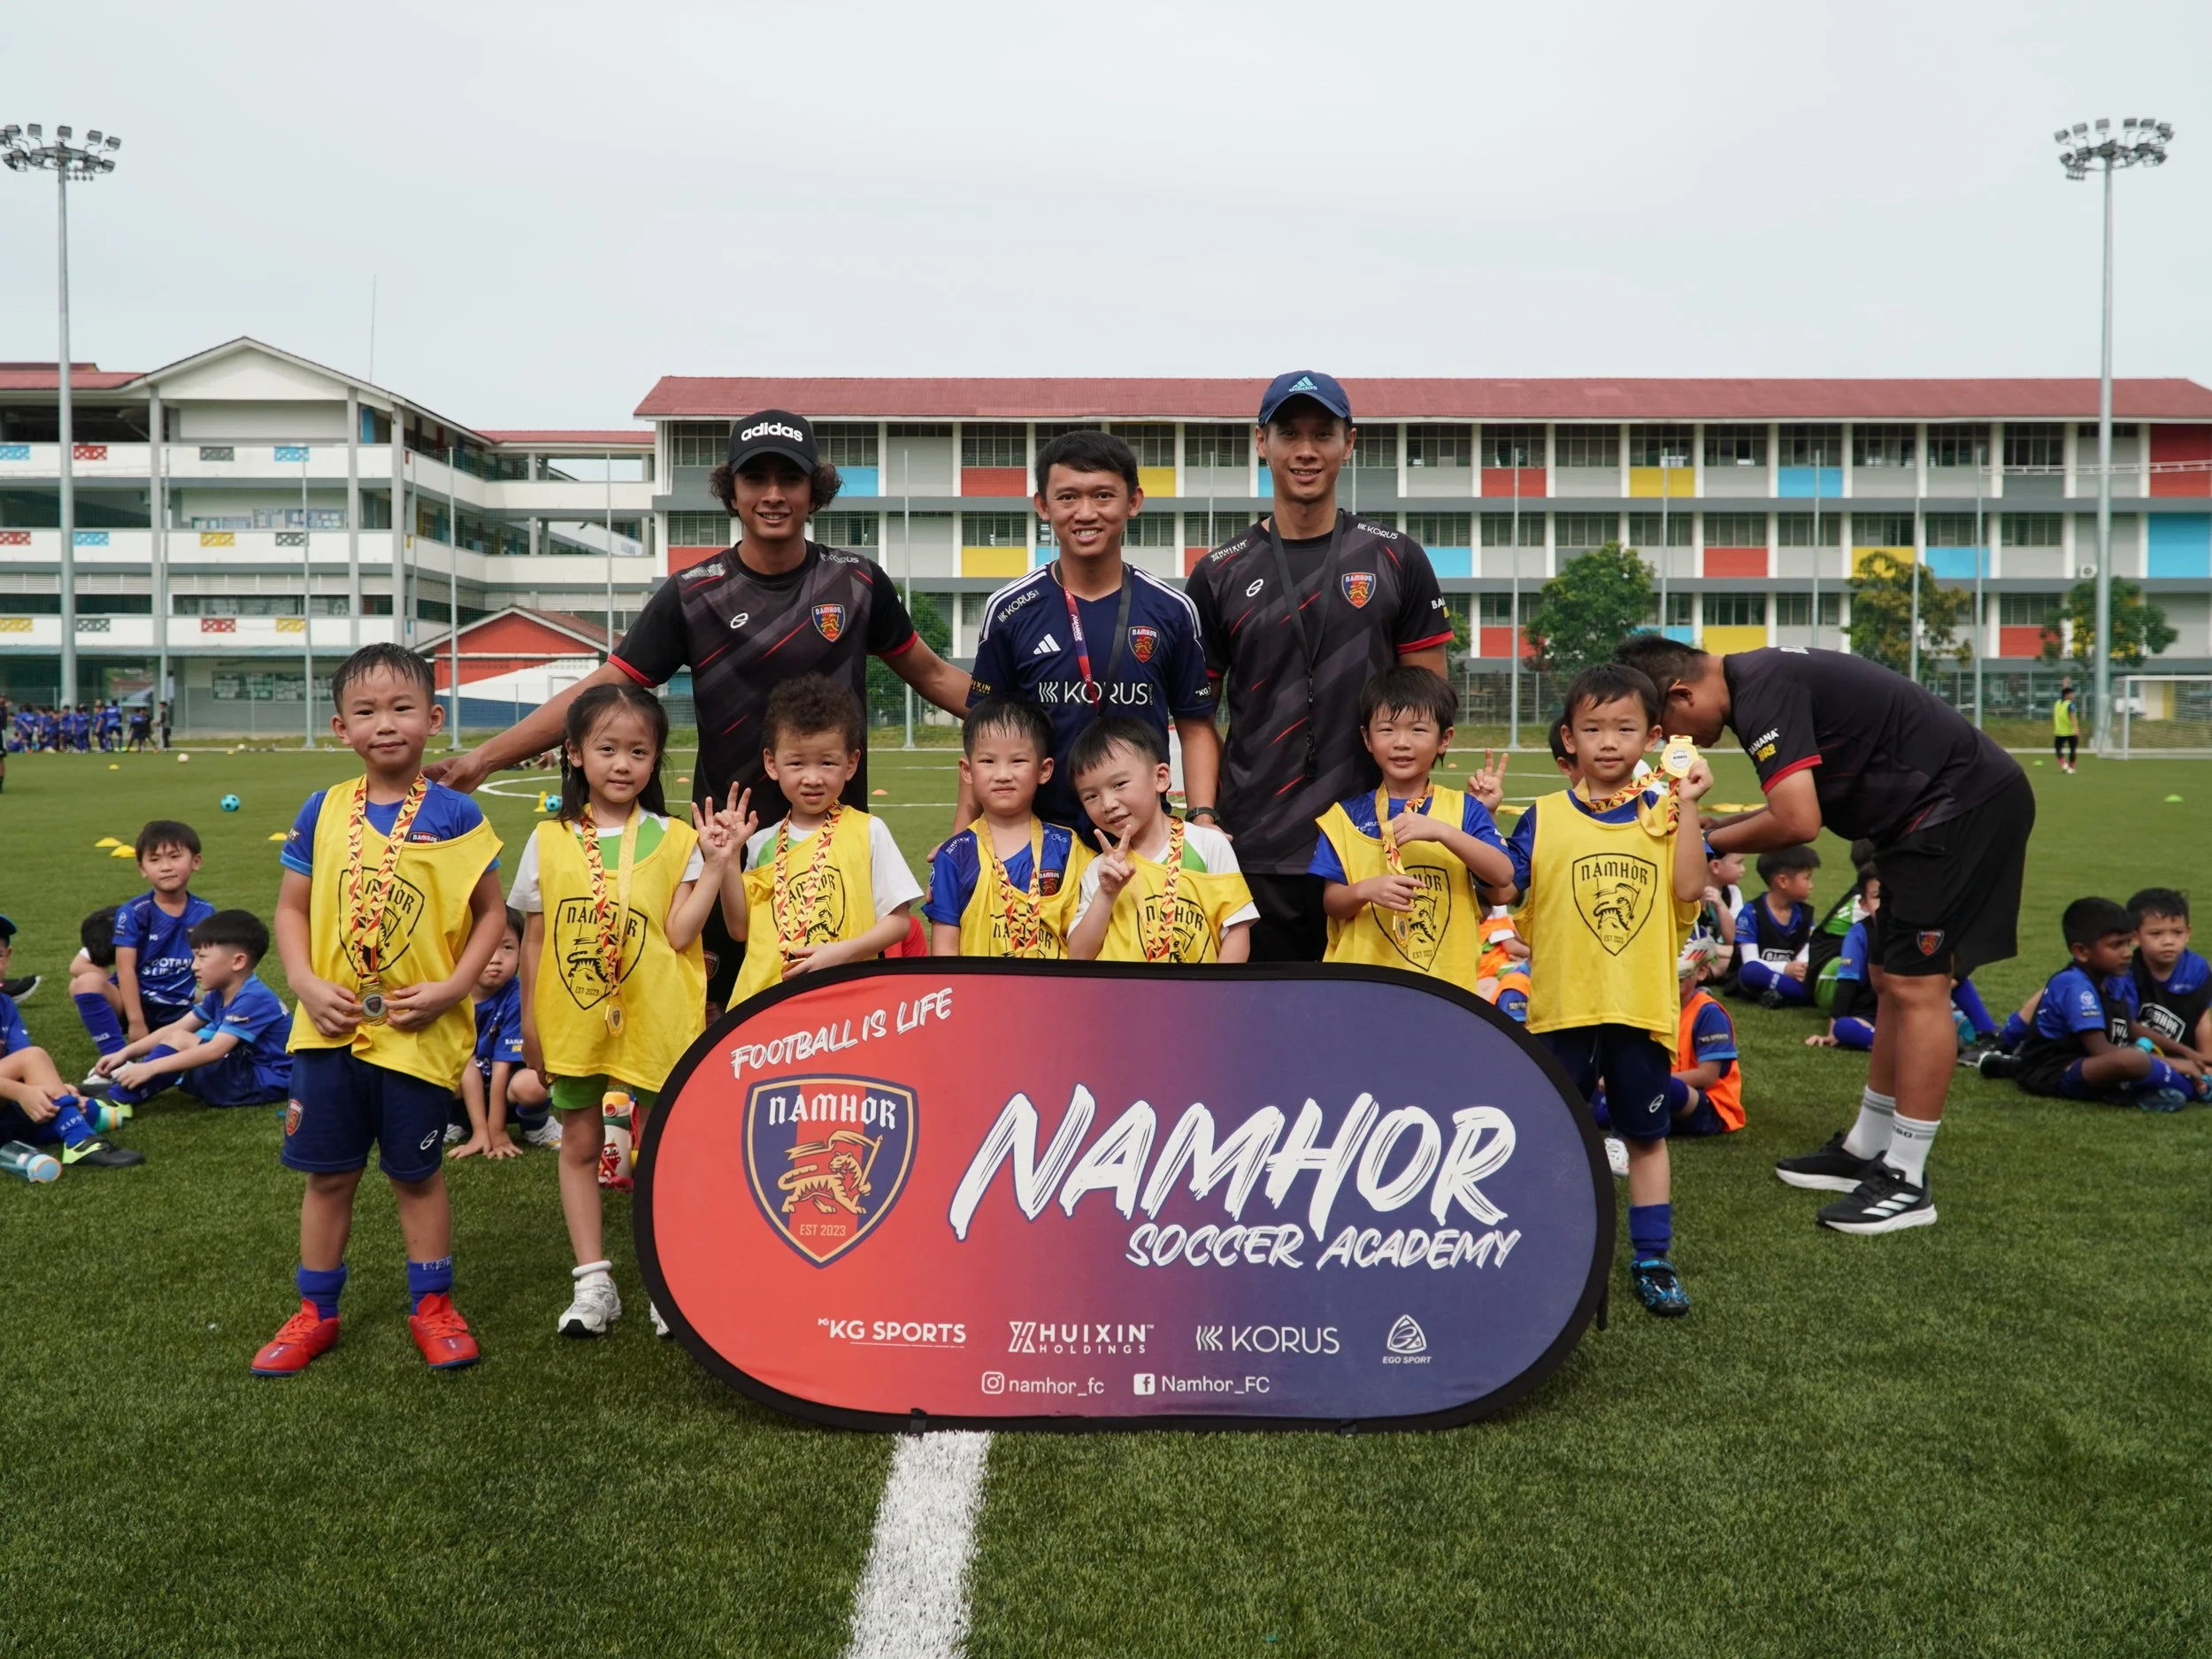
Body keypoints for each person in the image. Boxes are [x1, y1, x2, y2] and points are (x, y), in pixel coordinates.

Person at [424, 411, 971, 1013]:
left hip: (832, 850)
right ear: (730, 491)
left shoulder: (858, 582)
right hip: (720, 851)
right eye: (754, 478)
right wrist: (483, 759)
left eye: (789, 478)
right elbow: (602, 690)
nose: (772, 494)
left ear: (814, 490)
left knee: (838, 1020)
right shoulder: (693, 593)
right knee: (716, 1022)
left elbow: (935, 675)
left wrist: (1027, 722)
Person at [1617, 634, 2033, 1236]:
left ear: (1682, 693)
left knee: (1918, 987)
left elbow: (1797, 820)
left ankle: (1907, 1175)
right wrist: (1717, 825)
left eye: (1667, 727)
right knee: (1888, 980)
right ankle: (1868, 1145)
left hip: (1958, 811)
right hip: (1923, 820)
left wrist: (1705, 842)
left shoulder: (1762, 691)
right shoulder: (1759, 679)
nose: (1673, 741)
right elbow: (1790, 808)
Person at [254, 643, 506, 1378]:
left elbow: (491, 914)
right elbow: (291, 908)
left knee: (415, 1174)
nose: (385, 723)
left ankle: (433, 1306)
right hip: (329, 1029)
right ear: (341, 728)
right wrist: (302, 980)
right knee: (328, 1176)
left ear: (434, 718)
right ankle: (315, 1312)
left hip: (415, 1034)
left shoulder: (456, 812)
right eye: (365, 711)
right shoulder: (323, 808)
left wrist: (454, 988)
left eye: (402, 708)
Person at [1184, 371, 1454, 961]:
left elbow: (1430, 699)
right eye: (1289, 434)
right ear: (1262, 442)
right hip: (1255, 843)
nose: (1305, 451)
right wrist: (1202, 815)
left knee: (1367, 1016)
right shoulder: (1219, 572)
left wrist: (1421, 804)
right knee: (1256, 1014)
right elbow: (1196, 714)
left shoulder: (1396, 557)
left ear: (1348, 443)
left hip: (1372, 841)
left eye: (1322, 434)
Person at [515, 683, 735, 1338]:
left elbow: (679, 933)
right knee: (581, 1144)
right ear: (574, 753)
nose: (622, 764)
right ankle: (594, 1283)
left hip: (658, 1018)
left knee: (662, 1149)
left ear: (656, 759)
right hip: (574, 1019)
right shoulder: (548, 839)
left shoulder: (676, 837)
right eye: (606, 748)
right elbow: (534, 940)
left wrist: (717, 865)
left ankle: (668, 1282)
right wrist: (530, 1023)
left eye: (639, 751)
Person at [1503, 663, 1711, 1316]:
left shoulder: (1665, 814)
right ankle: (1548, 1248)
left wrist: (1688, 804)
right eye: (1593, 728)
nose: (1609, 741)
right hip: (1560, 1008)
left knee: (1645, 1135)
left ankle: (1653, 1257)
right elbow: (1504, 886)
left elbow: (1689, 889)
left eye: (1625, 728)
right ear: (1569, 737)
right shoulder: (1541, 817)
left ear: (1653, 737)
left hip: (1637, 1007)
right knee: (1553, 1134)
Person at [965, 430, 1217, 842]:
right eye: (1067, 497)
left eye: (1103, 495)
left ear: (1133, 501)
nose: (1085, 513)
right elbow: (983, 733)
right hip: (1039, 841)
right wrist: (963, 834)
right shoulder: (1010, 610)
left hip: (1143, 836)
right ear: (1043, 505)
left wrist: (1203, 817)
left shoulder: (1172, 609)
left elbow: (1195, 725)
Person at [725, 676, 920, 1005]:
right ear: (772, 764)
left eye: (827, 763)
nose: (812, 778)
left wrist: (842, 953)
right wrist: (728, 858)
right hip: (768, 1004)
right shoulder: (761, 843)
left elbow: (898, 923)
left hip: (845, 1002)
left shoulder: (869, 831)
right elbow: (740, 929)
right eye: (797, 763)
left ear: (851, 764)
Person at [1309, 666, 1511, 981]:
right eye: (1387, 730)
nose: (1401, 742)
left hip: (1445, 986)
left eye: (1417, 730)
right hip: (1364, 984)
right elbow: (1332, 904)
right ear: (1367, 738)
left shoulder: (1464, 810)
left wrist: (1443, 832)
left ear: (1444, 739)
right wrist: (1365, 890)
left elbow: (1502, 875)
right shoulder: (1345, 817)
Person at [1066, 717, 1256, 964]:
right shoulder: (1100, 870)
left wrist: (1216, 988)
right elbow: (1079, 955)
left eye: (1119, 784)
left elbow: (1237, 932)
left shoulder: (1208, 844)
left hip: (1199, 990)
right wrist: (1106, 894)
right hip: (1121, 991)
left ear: (1161, 777)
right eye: (1091, 796)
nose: (1108, 804)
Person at [926, 700, 1092, 958]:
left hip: (1056, 985)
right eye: (988, 761)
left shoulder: (1068, 848)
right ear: (967, 771)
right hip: (981, 986)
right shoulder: (954, 856)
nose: (1003, 774)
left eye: (1018, 761)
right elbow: (944, 950)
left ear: (1044, 770)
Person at [2005, 898, 2201, 1109]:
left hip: (2089, 1064)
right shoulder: (2075, 985)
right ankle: (2196, 1089)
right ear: (2081, 952)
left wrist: (2187, 1053)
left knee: (2136, 1059)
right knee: (2133, 1060)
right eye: (2116, 945)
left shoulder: (2112, 978)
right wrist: (2172, 1063)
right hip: (2055, 1070)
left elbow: (2130, 1027)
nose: (2127, 953)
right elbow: (2101, 1050)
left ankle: (2143, 1091)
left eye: (2128, 943)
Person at [91, 910, 294, 1110]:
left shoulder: (253, 997)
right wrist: (125, 1053)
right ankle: (124, 1090)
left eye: (202, 957)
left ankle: (115, 1100)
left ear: (238, 961)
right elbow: (178, 1027)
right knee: (180, 1039)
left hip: (267, 1080)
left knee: (182, 1043)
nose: (194, 966)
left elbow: (215, 1050)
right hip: (247, 1068)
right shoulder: (221, 992)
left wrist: (149, 1067)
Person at [71, 820, 215, 1071]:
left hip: (180, 1009)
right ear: (142, 868)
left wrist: (213, 1006)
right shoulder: (134, 912)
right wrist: (136, 1022)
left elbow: (211, 964)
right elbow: (125, 969)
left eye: (174, 857)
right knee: (84, 983)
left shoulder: (205, 911)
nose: (166, 867)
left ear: (196, 862)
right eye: (155, 860)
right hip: (135, 1005)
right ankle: (116, 1061)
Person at [0, 914, 141, 1167]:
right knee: (34, 1058)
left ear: (7, 957)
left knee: (81, 1108)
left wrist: (57, 1091)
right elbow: (26, 1062)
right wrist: (21, 1092)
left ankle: (70, 1117)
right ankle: (80, 1142)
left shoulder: (5, 1005)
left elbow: (19, 1067)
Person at [449, 908, 557, 1160]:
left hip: (507, 1089)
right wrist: (482, 1132)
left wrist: (496, 1130)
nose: (495, 958)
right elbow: (466, 1066)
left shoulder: (517, 996)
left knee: (533, 1084)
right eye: (486, 947)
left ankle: (536, 1126)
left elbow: (502, 1066)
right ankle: (461, 1123)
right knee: (442, 1072)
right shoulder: (453, 994)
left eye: (507, 947)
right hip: (467, 1086)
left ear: (521, 953)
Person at [2125, 887, 2210, 1063]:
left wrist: (2207, 1063)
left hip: (2189, 1059)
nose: (2169, 941)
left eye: (2178, 932)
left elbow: (2202, 1020)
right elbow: (2127, 1025)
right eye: (2156, 934)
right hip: (2142, 1060)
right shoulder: (2127, 971)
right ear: (2135, 937)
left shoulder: (2196, 968)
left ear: (2188, 933)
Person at [1733, 846, 1819, 1007]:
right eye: (1807, 878)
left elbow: (1805, 955)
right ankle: (1799, 994)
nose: (1811, 885)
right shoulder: (1752, 913)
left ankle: (1781, 993)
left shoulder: (1805, 914)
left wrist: (1801, 968)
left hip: (1790, 977)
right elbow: (1750, 961)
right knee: (1750, 971)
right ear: (1782, 881)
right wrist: (1786, 968)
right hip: (1761, 975)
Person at [2053, 680, 2079, 774]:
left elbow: (2063, 694)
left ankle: (2064, 764)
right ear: (2067, 695)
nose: (2073, 696)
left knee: (2058, 749)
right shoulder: (2070, 705)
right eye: (2072, 694)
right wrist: (2076, 729)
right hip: (2071, 732)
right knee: (2073, 750)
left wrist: (2065, 685)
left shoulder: (2058, 703)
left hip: (2060, 732)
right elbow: (2072, 717)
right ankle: (2071, 768)